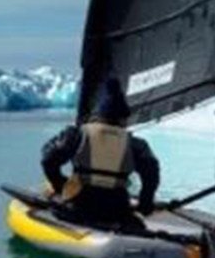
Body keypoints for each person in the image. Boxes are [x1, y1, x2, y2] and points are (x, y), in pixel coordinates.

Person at [40, 77, 160, 230]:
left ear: (97, 114)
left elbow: (47, 159)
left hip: (79, 206)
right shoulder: (136, 144)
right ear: (123, 118)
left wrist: (59, 185)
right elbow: (151, 174)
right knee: (134, 222)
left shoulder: (76, 135)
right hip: (117, 210)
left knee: (59, 205)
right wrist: (145, 204)